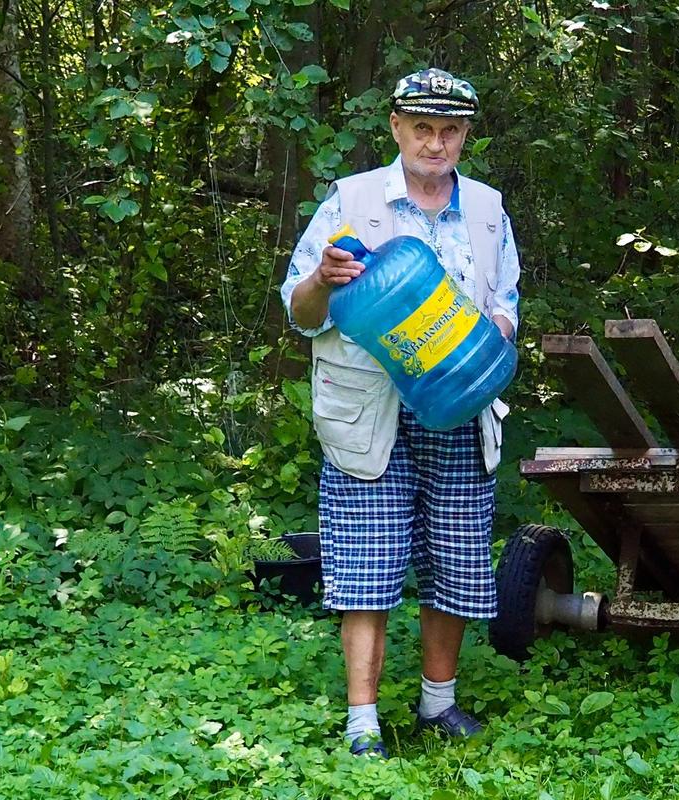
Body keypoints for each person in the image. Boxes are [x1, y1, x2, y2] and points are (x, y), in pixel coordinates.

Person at [280, 68, 519, 759]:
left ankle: (437, 708)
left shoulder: (485, 208)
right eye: (422, 127)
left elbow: (507, 302)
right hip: (370, 413)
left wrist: (496, 327)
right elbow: (298, 315)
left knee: (457, 559)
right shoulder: (350, 201)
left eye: (449, 130)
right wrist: (322, 280)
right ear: (396, 128)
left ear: (465, 136)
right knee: (367, 564)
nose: (435, 142)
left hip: (459, 405)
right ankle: (362, 722)